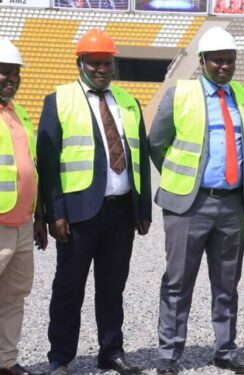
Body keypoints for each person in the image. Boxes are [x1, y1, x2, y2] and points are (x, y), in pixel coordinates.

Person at [36, 29, 151, 375]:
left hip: (120, 212)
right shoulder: (59, 99)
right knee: (69, 287)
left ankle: (111, 351)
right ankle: (60, 356)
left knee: (112, 287)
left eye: (107, 63)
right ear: (80, 63)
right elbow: (49, 163)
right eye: (94, 63)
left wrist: (142, 209)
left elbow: (140, 157)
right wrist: (54, 212)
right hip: (79, 214)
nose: (102, 69)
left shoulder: (128, 102)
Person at [149, 27, 244, 375]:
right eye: (218, 61)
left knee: (227, 283)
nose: (224, 67)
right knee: (178, 282)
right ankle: (169, 353)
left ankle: (225, 350)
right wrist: (183, 182)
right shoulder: (180, 94)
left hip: (231, 205)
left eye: (230, 61)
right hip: (187, 205)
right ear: (202, 62)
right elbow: (157, 143)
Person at [0, 39, 48, 375]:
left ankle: (5, 361)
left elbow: (31, 166)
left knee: (14, 295)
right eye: (3, 72)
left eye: (14, 73)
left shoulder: (20, 113)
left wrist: (39, 215)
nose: (10, 78)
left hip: (21, 223)